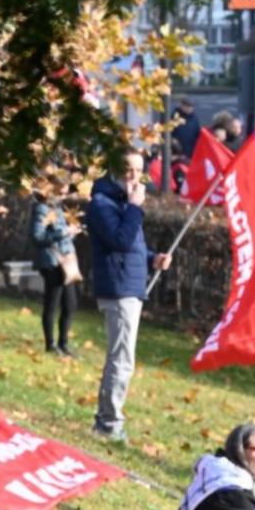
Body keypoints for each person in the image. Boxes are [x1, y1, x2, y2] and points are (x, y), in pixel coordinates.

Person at [86, 149, 169, 442]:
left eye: (139, 171)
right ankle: (109, 423)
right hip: (118, 288)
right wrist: (135, 207)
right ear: (114, 171)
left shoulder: (122, 203)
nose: (135, 178)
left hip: (130, 285)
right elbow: (118, 240)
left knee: (121, 357)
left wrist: (152, 258)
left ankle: (106, 418)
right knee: (121, 359)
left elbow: (131, 245)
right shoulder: (102, 203)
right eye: (128, 171)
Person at [30, 190, 78, 357]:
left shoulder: (57, 208)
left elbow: (59, 234)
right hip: (51, 261)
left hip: (65, 260)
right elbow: (37, 237)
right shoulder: (41, 209)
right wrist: (65, 232)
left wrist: (71, 233)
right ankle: (51, 344)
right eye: (61, 191)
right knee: (53, 302)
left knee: (70, 304)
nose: (64, 194)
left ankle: (63, 343)